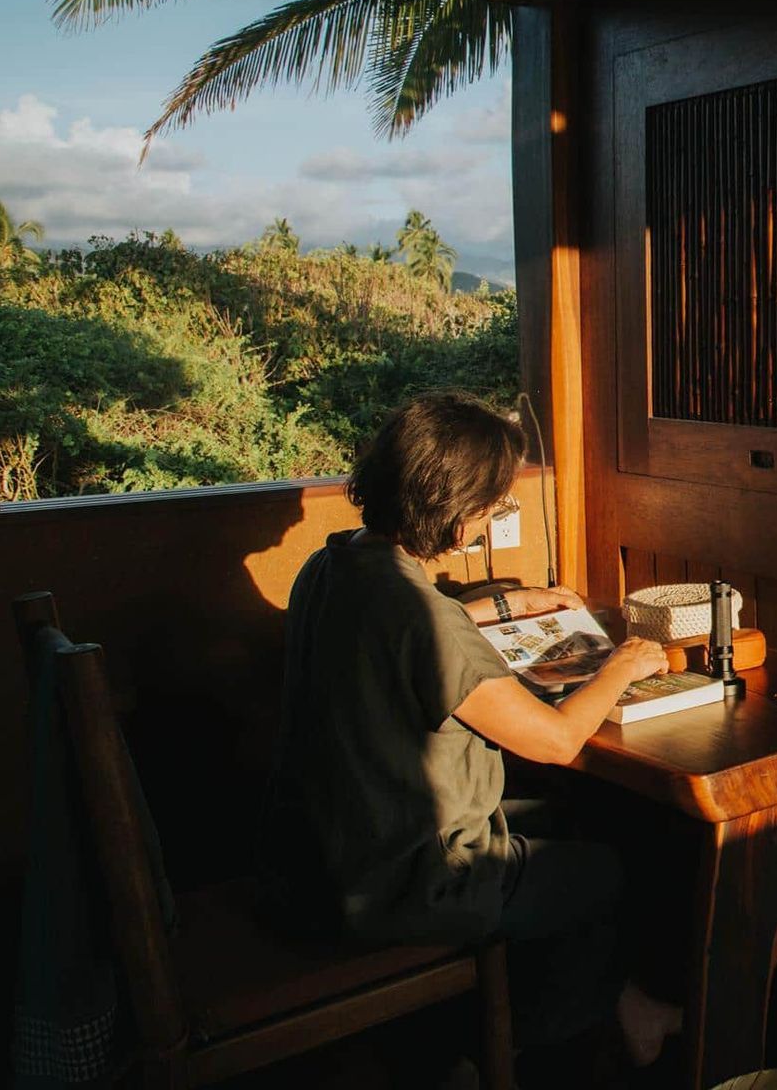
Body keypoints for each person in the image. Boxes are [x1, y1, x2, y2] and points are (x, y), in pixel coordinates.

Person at [258, 390, 679, 1078]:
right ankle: (511, 1042)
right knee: (606, 869)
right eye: (490, 506)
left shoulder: (330, 568)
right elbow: (555, 741)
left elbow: (418, 622)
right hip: (402, 881)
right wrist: (624, 663)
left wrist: (512, 603)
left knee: (572, 815)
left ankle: (610, 1006)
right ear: (453, 508)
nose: (491, 521)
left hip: (317, 856)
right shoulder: (422, 618)